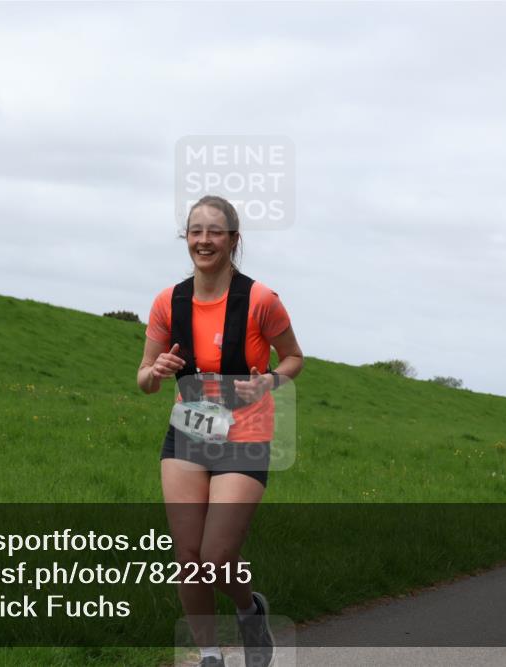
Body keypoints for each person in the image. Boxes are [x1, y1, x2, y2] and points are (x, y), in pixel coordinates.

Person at [137, 195, 303, 667]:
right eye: (195, 231)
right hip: (188, 434)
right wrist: (159, 369)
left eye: (214, 231)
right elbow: (145, 380)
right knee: (188, 557)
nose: (204, 240)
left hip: (245, 436)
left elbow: (294, 358)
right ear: (186, 238)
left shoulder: (261, 300)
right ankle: (210, 654)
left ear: (233, 239)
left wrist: (270, 380)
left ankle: (250, 610)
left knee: (214, 556)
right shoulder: (169, 301)